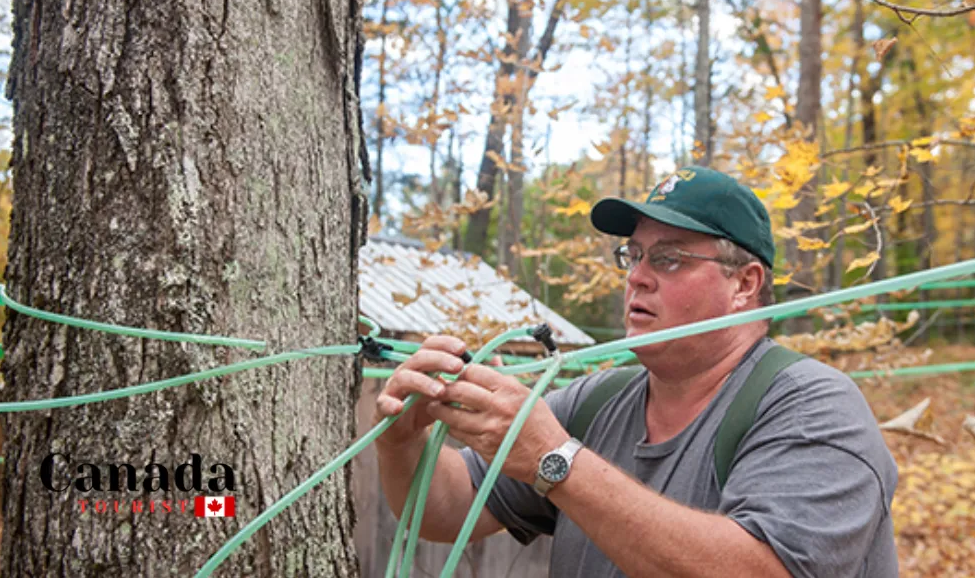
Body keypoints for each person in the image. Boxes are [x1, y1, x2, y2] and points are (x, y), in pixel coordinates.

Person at [374, 166, 899, 577]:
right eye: (634, 255)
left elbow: (763, 570)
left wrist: (556, 461)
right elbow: (447, 508)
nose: (639, 278)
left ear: (744, 284)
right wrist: (402, 441)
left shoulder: (813, 404)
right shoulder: (596, 401)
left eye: (669, 259)